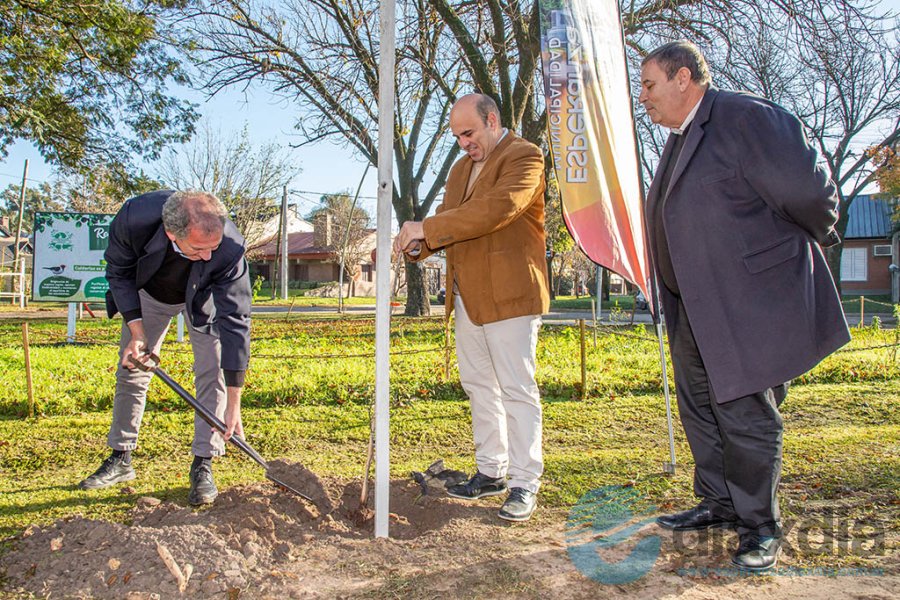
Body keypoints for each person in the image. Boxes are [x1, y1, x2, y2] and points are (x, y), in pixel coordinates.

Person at [639, 41, 850, 570]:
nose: (643, 98)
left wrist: (786, 258)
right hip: (691, 307)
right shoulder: (680, 138)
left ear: (683, 77)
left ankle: (760, 526)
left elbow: (810, 195)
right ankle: (718, 501)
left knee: (746, 414)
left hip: (746, 303)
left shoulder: (744, 118)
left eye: (649, 85)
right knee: (703, 409)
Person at [393, 93, 550, 521]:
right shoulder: (461, 169)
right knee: (479, 387)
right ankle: (491, 472)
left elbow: (495, 211)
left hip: (513, 296)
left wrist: (425, 227)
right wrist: (414, 246)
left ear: (493, 120)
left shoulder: (525, 156)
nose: (463, 143)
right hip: (467, 299)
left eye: (469, 133)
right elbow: (449, 222)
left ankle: (523, 482)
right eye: (457, 137)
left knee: (517, 390)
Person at [78, 190, 252, 505]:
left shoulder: (229, 245)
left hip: (204, 296)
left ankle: (204, 464)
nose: (209, 255)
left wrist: (235, 400)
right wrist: (136, 331)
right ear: (173, 234)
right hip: (151, 293)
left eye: (213, 247)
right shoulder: (134, 218)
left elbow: (236, 321)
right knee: (131, 368)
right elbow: (118, 273)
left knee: (212, 372)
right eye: (199, 248)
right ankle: (121, 458)